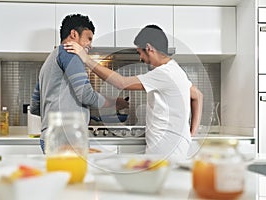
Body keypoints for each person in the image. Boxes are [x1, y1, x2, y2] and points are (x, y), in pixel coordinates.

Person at [64, 25, 203, 161]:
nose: (140, 58)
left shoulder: (165, 73)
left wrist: (86, 58)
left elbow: (121, 83)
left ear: (149, 48)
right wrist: (191, 133)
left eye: (140, 52)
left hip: (165, 152)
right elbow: (198, 96)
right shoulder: (176, 70)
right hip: (173, 149)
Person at [30, 14, 129, 152]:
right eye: (88, 38)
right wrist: (114, 103)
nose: (90, 45)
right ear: (74, 34)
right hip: (67, 137)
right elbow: (86, 95)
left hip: (49, 137)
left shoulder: (49, 61)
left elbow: (35, 106)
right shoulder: (70, 52)